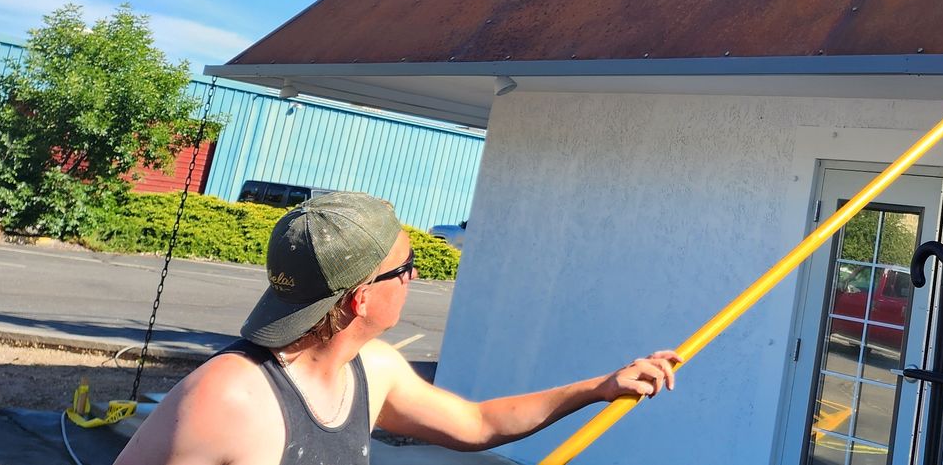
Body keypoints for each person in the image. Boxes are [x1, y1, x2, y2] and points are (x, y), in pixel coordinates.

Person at [115, 192, 679, 465]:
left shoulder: (372, 369)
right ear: (363, 298)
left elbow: (478, 425)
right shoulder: (230, 397)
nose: (414, 277)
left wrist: (602, 387)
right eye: (407, 268)